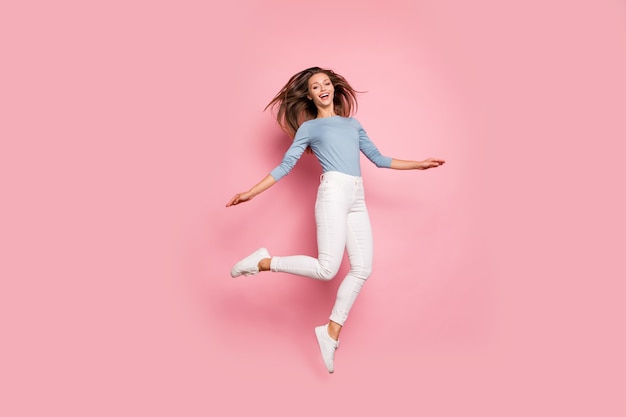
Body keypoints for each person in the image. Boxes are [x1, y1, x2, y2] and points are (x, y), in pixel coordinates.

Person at [226, 67, 445, 373]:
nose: (323, 88)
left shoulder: (352, 124)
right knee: (327, 268)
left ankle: (330, 332)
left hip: (356, 195)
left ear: (334, 88)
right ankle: (263, 262)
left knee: (362, 268)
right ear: (310, 95)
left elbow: (379, 159)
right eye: (315, 87)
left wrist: (418, 165)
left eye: (326, 83)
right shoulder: (310, 129)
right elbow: (286, 165)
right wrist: (251, 192)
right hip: (333, 192)